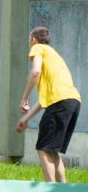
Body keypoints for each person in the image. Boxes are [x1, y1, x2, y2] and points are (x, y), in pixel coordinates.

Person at [16, 27, 81, 182]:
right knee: (51, 150)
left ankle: (51, 191)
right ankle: (63, 191)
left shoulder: (38, 48)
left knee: (43, 148)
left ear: (33, 39)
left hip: (60, 102)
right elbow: (44, 100)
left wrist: (24, 98)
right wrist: (25, 119)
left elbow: (35, 72)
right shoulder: (54, 56)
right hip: (73, 101)